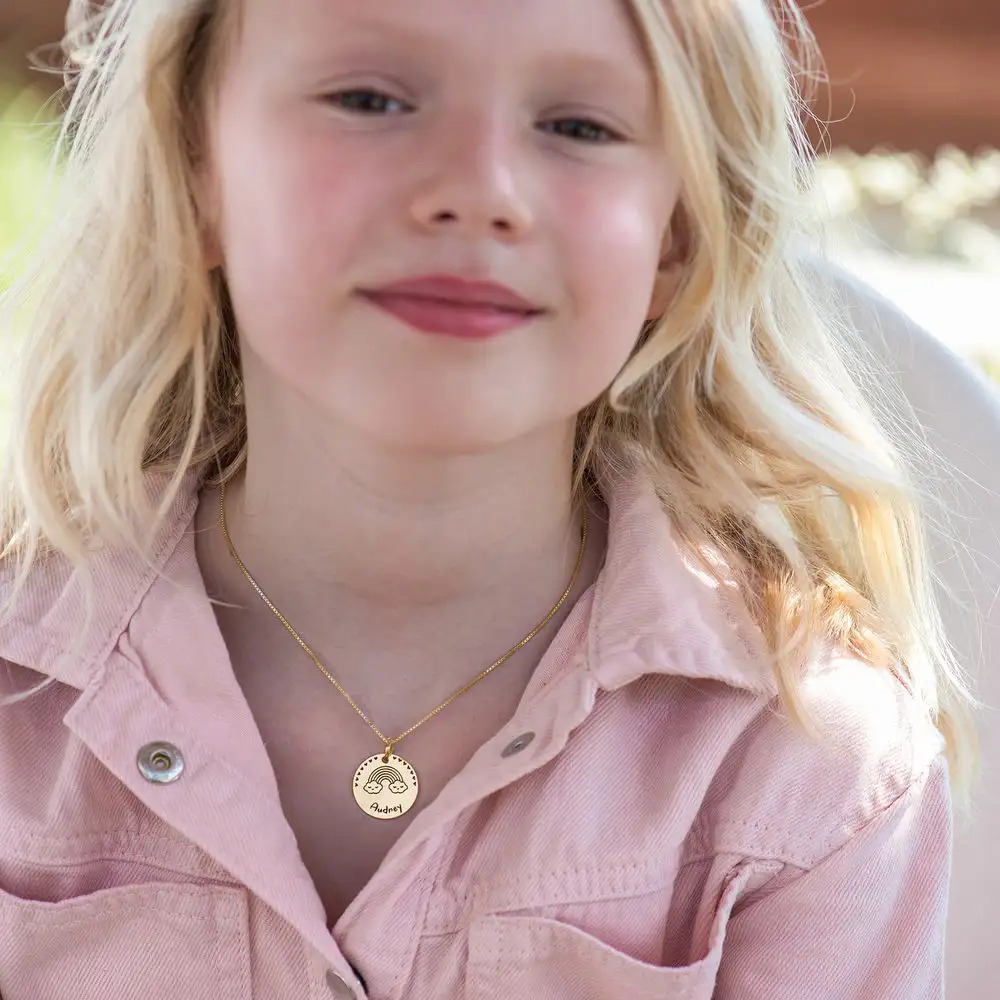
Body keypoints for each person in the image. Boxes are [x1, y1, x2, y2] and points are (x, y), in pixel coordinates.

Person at [0, 0, 982, 997]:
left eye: (577, 127)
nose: (478, 191)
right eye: (369, 98)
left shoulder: (803, 761)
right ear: (194, 174)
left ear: (674, 237)